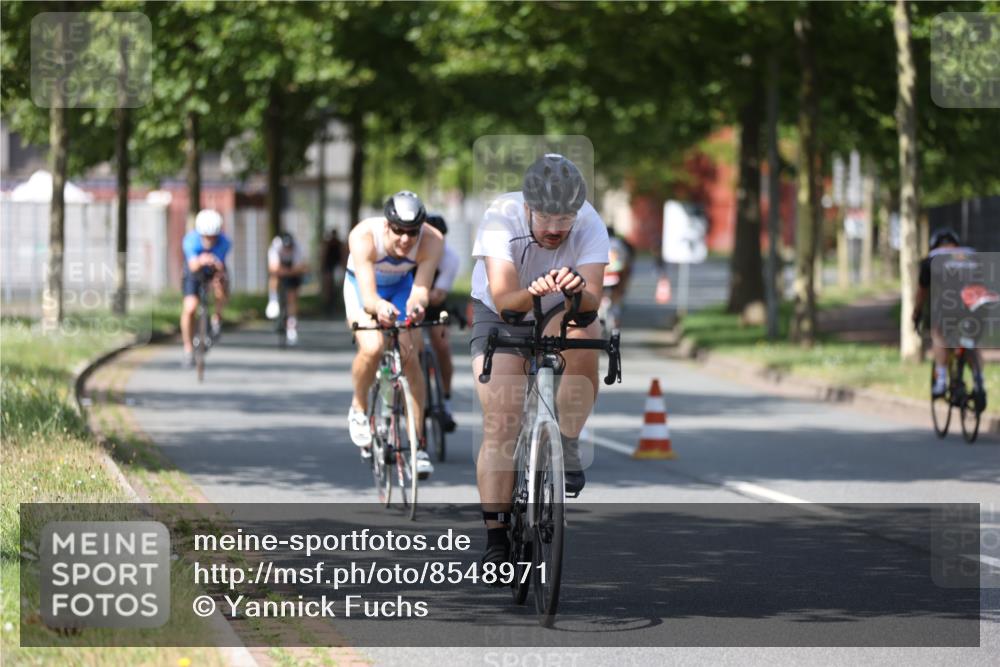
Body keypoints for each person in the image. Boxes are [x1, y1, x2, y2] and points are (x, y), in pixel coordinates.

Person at [470, 153, 608, 568]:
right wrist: (534, 292)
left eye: (564, 218)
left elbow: (591, 304)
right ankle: (496, 537)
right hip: (504, 309)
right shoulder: (501, 218)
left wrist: (575, 292)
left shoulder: (590, 223)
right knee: (503, 419)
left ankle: (565, 441)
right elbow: (507, 301)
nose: (553, 229)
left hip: (558, 309)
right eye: (545, 216)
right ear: (527, 206)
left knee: (586, 334)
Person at [344, 191, 444, 478]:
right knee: (373, 346)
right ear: (386, 225)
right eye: (398, 230)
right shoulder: (364, 235)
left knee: (412, 353)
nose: (405, 239)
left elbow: (421, 290)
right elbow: (368, 297)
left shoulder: (432, 240)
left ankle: (417, 445)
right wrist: (379, 308)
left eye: (412, 232)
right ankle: (359, 408)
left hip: (401, 288)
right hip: (363, 290)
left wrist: (416, 308)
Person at [912, 227, 986, 404]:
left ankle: (941, 380)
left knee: (939, 335)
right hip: (976, 305)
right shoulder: (972, 254)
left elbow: (922, 293)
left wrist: (916, 314)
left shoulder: (931, 259)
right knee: (971, 342)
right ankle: (979, 380)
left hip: (949, 307)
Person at [423, 214, 461, 432]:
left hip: (434, 303)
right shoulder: (413, 251)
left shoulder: (450, 258)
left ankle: (445, 400)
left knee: (443, 346)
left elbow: (437, 295)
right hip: (407, 301)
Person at [180, 209, 231, 368]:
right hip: (194, 272)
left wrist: (215, 266)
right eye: (206, 236)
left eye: (213, 236)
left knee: (221, 286)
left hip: (214, 270)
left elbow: (221, 267)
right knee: (190, 308)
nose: (210, 240)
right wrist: (202, 260)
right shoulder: (190, 240)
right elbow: (193, 265)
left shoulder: (225, 242)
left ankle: (217, 317)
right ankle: (188, 349)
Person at [265, 232, 309, 346]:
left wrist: (289, 272)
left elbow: (301, 268)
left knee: (292, 297)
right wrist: (285, 271)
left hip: (292, 272)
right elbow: (273, 268)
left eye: (289, 247)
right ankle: (273, 301)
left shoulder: (298, 248)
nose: (287, 249)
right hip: (281, 269)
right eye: (286, 247)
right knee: (274, 278)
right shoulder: (275, 247)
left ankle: (291, 324)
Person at [601, 225, 634, 330]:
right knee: (615, 300)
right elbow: (625, 262)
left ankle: (600, 318)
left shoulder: (598, 242)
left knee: (601, 299)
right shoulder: (619, 244)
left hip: (601, 277)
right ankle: (615, 320)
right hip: (616, 277)